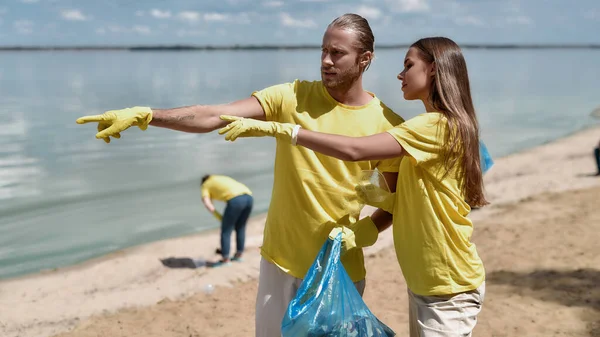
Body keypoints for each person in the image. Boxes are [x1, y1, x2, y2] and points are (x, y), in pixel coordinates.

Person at [76, 14, 403, 336]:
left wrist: (365, 231)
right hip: (279, 262)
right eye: (323, 51)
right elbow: (212, 116)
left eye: (337, 53)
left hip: (338, 271)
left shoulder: (388, 125)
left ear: (365, 59)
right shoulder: (292, 96)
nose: (326, 61)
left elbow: (391, 202)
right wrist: (148, 115)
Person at [219, 37, 487, 336]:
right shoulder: (439, 127)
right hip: (428, 284)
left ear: (435, 70)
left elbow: (355, 150)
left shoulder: (436, 126)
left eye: (408, 65)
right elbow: (405, 199)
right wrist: (364, 228)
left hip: (449, 287)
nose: (400, 74)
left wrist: (285, 130)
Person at [200, 174, 253, 266]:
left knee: (226, 231)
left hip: (236, 200)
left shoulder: (205, 185)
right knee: (240, 227)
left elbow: (207, 203)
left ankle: (225, 260)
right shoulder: (219, 178)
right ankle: (238, 255)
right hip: (249, 197)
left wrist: (219, 217)